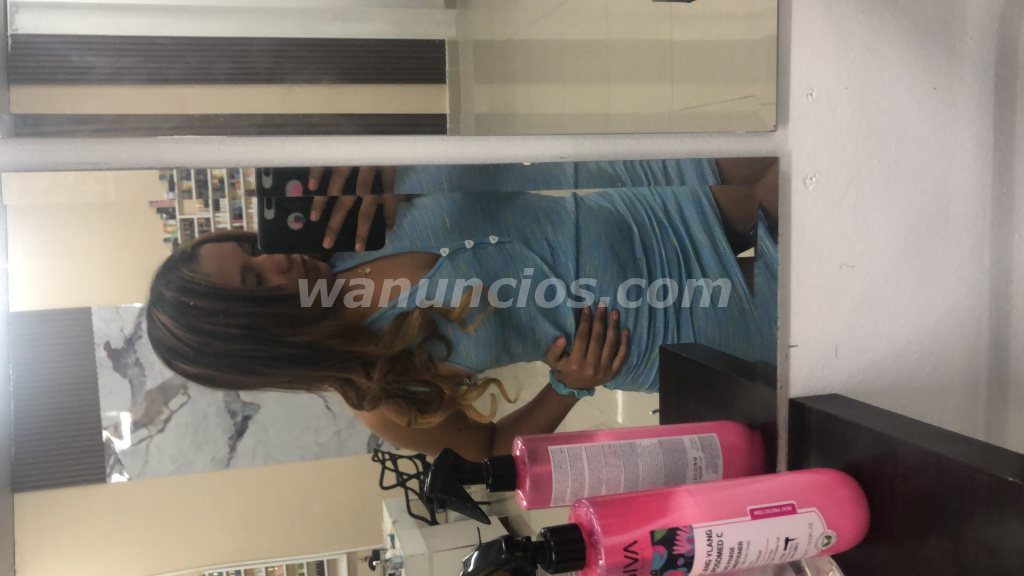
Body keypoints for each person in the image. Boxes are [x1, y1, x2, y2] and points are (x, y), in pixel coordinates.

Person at [146, 159, 779, 461]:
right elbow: (488, 447)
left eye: (254, 252)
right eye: (256, 283)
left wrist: (381, 163)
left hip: (656, 208)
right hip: (663, 328)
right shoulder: (379, 394)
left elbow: (489, 149)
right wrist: (567, 386)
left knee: (810, 167)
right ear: (258, 339)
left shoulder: (353, 218)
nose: (278, 262)